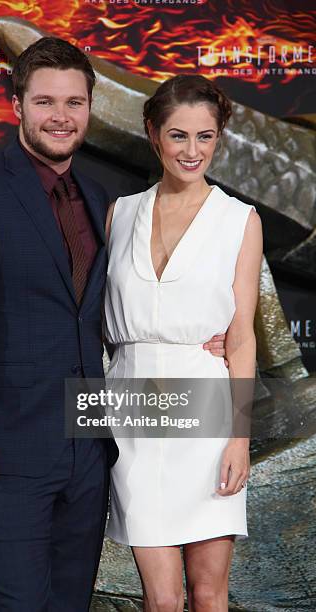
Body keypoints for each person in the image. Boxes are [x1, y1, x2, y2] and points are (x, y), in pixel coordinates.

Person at [0, 37, 225, 611]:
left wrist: (196, 338)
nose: (60, 117)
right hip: (6, 448)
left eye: (75, 103)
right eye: (45, 102)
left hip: (90, 446)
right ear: (17, 106)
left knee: (70, 603)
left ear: (90, 108)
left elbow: (108, 312)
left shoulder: (96, 195)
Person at [104, 75, 263, 612]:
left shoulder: (239, 220)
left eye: (206, 137)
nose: (192, 151)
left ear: (218, 139)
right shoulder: (120, 214)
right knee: (164, 597)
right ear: (153, 134)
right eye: (178, 136)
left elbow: (241, 340)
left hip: (208, 412)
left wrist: (238, 438)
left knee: (208, 590)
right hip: (132, 410)